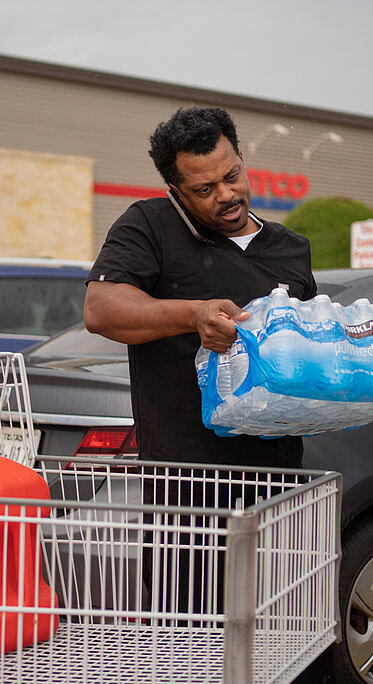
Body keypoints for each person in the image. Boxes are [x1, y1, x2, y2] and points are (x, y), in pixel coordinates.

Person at [83, 106, 318, 619]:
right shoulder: (151, 225)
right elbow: (100, 309)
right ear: (176, 190)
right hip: (188, 490)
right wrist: (193, 316)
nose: (226, 195)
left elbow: (302, 355)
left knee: (275, 637)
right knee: (187, 640)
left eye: (231, 176)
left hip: (276, 486)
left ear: (240, 158)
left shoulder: (290, 249)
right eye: (204, 189)